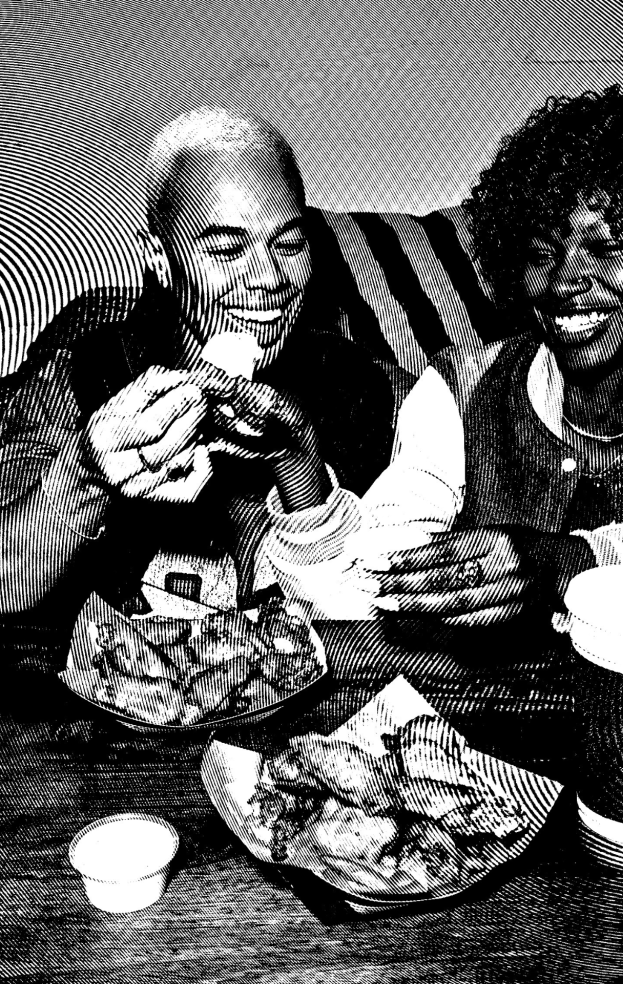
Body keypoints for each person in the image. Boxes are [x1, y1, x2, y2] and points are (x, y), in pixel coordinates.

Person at [0, 107, 404, 676]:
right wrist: (87, 476)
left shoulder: (354, 382)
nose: (270, 278)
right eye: (225, 250)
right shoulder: (78, 374)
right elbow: (7, 584)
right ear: (160, 258)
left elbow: (375, 615)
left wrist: (298, 466)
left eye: (289, 245)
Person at [266, 85, 623, 632]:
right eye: (541, 253)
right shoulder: (463, 387)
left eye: (608, 248)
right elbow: (368, 576)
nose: (564, 281)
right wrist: (300, 468)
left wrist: (575, 562)